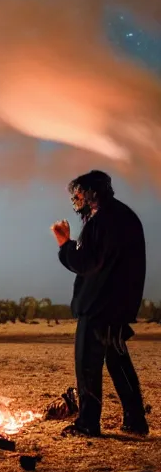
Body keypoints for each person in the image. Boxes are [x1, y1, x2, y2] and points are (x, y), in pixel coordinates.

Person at [51, 170, 149, 437]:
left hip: (99, 306)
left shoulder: (102, 220)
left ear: (93, 193)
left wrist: (64, 244)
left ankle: (88, 423)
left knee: (87, 365)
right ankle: (135, 420)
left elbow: (87, 263)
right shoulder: (123, 216)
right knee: (118, 362)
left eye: (79, 194)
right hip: (118, 306)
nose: (76, 200)